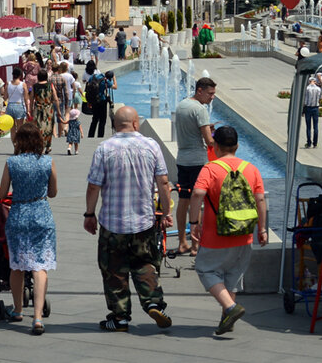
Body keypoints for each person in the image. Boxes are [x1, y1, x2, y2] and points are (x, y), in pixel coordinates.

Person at [83, 106, 173, 333]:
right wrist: (165, 212)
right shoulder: (151, 145)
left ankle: (120, 317)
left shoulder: (104, 148)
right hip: (144, 221)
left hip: (113, 223)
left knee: (114, 270)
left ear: (115, 125)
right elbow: (163, 182)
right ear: (135, 123)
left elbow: (94, 185)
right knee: (145, 263)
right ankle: (152, 302)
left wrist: (89, 213)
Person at [189, 126, 268, 335]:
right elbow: (260, 199)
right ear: (237, 146)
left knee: (206, 270)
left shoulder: (210, 168)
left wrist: (193, 221)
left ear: (215, 146)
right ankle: (227, 320)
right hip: (244, 234)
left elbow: (197, 193)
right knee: (232, 278)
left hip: (216, 235)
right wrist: (262, 229)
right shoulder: (251, 169)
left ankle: (232, 308)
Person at [0, 123, 58, 334]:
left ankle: (18, 309)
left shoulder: (12, 162)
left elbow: (3, 193)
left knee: (17, 265)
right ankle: (38, 317)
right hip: (41, 214)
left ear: (19, 141)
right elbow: (53, 192)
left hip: (19, 215)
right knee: (40, 266)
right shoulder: (48, 162)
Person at [174, 77, 216, 256]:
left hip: (182, 158)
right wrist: (217, 136)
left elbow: (190, 129)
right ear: (199, 90)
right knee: (197, 203)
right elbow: (209, 140)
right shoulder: (200, 109)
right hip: (197, 161)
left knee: (183, 200)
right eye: (210, 93)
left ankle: (182, 241)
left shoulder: (182, 105)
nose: (212, 97)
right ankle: (195, 246)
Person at [31, 70, 55, 153]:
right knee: (49, 128)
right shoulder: (50, 86)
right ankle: (48, 146)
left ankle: (39, 145)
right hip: (48, 109)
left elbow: (31, 99)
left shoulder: (35, 86)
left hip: (38, 109)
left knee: (38, 127)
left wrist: (30, 110)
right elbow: (55, 98)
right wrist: (58, 110)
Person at [86, 68, 112, 141]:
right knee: (102, 120)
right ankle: (100, 136)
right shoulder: (105, 81)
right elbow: (114, 86)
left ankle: (90, 135)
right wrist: (114, 79)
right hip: (102, 101)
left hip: (93, 100)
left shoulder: (93, 77)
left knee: (94, 119)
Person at [50, 62, 71, 147]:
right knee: (60, 116)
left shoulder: (49, 79)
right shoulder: (62, 78)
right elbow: (66, 92)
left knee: (52, 118)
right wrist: (66, 102)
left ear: (52, 69)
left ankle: (54, 134)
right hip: (60, 100)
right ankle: (59, 133)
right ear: (58, 69)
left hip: (51, 100)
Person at [6, 68, 29, 133]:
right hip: (19, 105)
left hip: (10, 105)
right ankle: (19, 142)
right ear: (20, 75)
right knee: (20, 127)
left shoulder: (8, 84)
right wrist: (27, 110)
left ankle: (14, 142)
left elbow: (5, 97)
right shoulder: (23, 84)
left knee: (12, 128)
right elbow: (26, 98)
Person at [303, 76, 321, 149]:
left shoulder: (307, 88)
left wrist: (303, 110)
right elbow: (319, 98)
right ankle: (315, 143)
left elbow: (305, 99)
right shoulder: (318, 89)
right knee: (315, 126)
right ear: (315, 81)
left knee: (308, 127)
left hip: (308, 108)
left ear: (309, 81)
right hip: (315, 108)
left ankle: (309, 143)